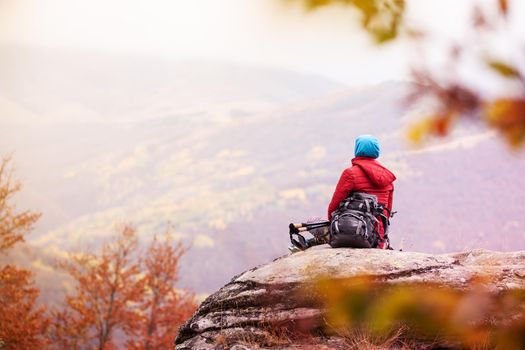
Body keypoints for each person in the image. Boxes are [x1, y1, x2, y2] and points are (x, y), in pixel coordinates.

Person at [327, 135, 396, 248]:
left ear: (357, 150)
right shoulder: (387, 177)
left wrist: (333, 226)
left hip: (353, 232)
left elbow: (334, 206)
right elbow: (387, 212)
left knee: (313, 221)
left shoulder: (350, 173)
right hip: (377, 237)